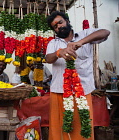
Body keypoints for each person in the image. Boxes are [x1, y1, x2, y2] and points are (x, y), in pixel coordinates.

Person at [45, 11, 110, 140]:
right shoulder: (53, 43)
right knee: (59, 128)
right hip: (59, 91)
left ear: (67, 21)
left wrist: (81, 42)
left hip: (83, 90)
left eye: (60, 22)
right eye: (55, 26)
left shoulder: (85, 34)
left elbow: (105, 32)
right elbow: (48, 58)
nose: (58, 27)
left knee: (82, 127)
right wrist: (59, 52)